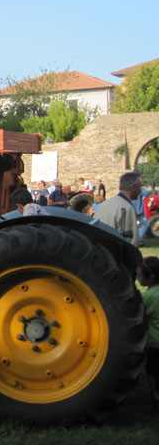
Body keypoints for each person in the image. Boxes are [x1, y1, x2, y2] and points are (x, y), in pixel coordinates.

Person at [93, 172, 142, 248]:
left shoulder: (104, 204)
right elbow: (131, 241)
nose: (140, 191)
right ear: (133, 187)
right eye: (140, 187)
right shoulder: (126, 208)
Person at [137, 256, 159, 408]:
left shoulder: (148, 297)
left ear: (150, 277)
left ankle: (156, 403)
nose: (137, 278)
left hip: (155, 345)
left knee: (154, 376)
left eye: (138, 275)